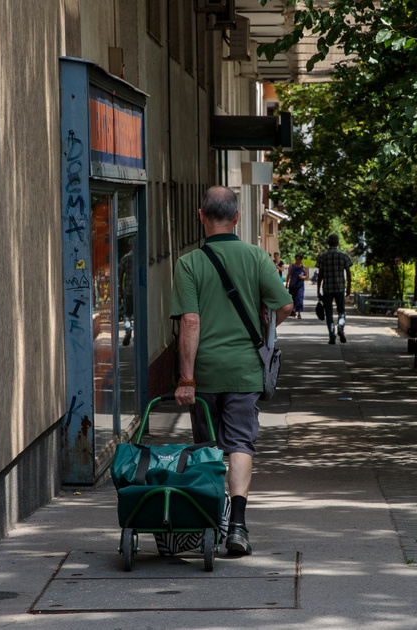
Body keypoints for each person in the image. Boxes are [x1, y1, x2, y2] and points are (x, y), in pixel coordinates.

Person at [171, 186, 293, 556]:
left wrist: (186, 379)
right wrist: (261, 329)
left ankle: (211, 520)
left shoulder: (189, 264)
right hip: (244, 372)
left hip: (204, 373)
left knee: (207, 448)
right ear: (237, 218)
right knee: (241, 443)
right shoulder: (257, 257)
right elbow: (284, 306)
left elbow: (190, 323)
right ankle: (237, 526)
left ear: (200, 215)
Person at [314, 234, 353, 344]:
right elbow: (348, 273)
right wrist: (349, 287)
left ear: (328, 243)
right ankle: (340, 326)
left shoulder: (323, 256)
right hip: (340, 288)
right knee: (341, 311)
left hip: (327, 289)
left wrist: (318, 290)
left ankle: (332, 336)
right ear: (337, 243)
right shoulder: (343, 255)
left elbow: (320, 274)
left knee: (329, 312)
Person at [287, 254, 307, 319]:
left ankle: (299, 313)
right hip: (292, 285)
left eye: (299, 259)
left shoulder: (303, 267)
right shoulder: (291, 266)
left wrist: (302, 277)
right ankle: (293, 312)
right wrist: (286, 283)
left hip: (300, 285)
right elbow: (288, 275)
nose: (298, 261)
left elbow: (307, 276)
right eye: (296, 259)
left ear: (301, 260)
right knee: (292, 298)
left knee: (299, 298)